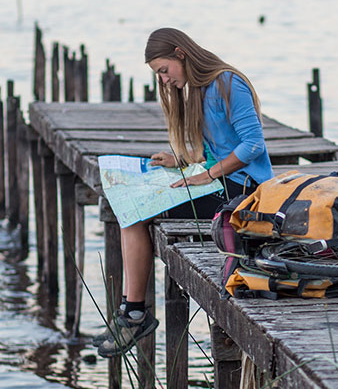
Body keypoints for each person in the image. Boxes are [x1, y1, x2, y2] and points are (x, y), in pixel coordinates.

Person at [96, 27, 274, 358]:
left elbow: (253, 145)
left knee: (135, 209)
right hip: (222, 182)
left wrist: (204, 175)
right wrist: (181, 161)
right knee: (128, 199)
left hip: (243, 192)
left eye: (164, 71)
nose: (163, 81)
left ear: (181, 53)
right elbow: (219, 150)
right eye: (158, 76)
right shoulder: (200, 90)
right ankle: (131, 311)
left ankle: (134, 314)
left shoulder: (227, 83)